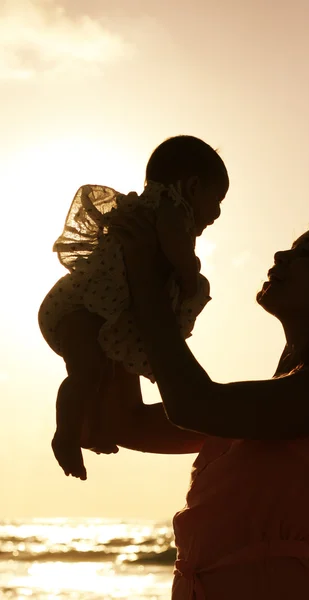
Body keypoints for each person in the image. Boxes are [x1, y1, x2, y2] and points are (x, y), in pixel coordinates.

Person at [106, 210, 309, 599]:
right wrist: (115, 295)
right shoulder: (273, 401)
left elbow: (194, 404)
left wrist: (147, 281)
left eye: (306, 254)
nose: (281, 256)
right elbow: (125, 423)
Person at [38, 135, 229, 481]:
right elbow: (177, 253)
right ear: (192, 186)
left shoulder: (159, 212)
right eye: (216, 201)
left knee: (98, 373)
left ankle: (92, 427)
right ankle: (65, 435)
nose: (216, 213)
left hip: (103, 312)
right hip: (80, 309)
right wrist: (190, 274)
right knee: (86, 373)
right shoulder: (169, 210)